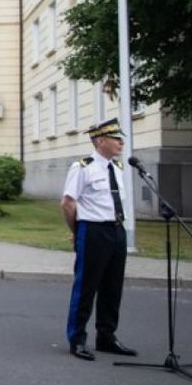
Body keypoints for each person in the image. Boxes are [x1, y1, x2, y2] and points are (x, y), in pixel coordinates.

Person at [61, 118, 137, 361]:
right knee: (86, 287)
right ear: (100, 141)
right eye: (116, 138)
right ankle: (77, 339)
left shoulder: (118, 167)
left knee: (112, 287)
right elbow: (68, 202)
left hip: (116, 231)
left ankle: (106, 337)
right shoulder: (83, 167)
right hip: (93, 231)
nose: (121, 142)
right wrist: (76, 229)